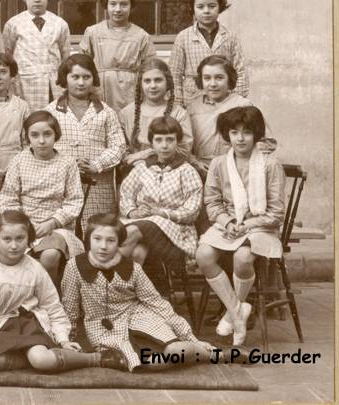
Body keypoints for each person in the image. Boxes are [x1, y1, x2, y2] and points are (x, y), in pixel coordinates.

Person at [0, 211, 125, 372]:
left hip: (27, 324)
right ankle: (30, 360)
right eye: (7, 239)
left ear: (29, 238)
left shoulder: (35, 268)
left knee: (42, 360)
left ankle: (96, 359)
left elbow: (52, 305)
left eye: (20, 238)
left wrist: (63, 339)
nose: (14, 245)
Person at [61, 213, 213, 372]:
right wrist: (65, 340)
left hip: (139, 318)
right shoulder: (75, 267)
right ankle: (203, 355)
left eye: (110, 240)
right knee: (148, 362)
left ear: (119, 243)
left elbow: (157, 303)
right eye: (97, 239)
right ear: (88, 239)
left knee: (175, 350)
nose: (103, 246)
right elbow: (69, 308)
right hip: (105, 329)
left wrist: (191, 338)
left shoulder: (132, 268)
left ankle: (210, 353)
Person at [196, 106, 285, 346]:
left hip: (261, 226)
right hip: (229, 224)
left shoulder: (270, 165)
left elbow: (276, 212)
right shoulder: (218, 164)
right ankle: (238, 312)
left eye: (246, 132)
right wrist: (227, 221)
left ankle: (230, 314)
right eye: (234, 132)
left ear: (256, 134)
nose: (240, 138)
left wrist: (246, 225)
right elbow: (212, 202)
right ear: (227, 135)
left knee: (243, 258)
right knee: (203, 254)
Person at [0, 111, 85, 283]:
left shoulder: (67, 163)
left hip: (57, 227)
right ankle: (21, 297)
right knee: (12, 253)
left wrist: (52, 222)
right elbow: (8, 198)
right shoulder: (19, 161)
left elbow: (74, 200)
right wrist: (24, 224)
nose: (41, 141)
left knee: (50, 256)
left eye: (47, 134)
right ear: (27, 137)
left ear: (56, 135)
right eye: (34, 135)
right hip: (23, 225)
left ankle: (48, 298)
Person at [45, 54, 126, 232]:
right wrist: (64, 164)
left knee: (96, 230)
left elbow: (118, 146)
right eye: (75, 77)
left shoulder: (106, 112)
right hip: (60, 184)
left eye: (86, 77)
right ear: (64, 79)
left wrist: (96, 165)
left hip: (98, 184)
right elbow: (42, 146)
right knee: (63, 231)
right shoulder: (50, 111)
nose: (81, 83)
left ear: (93, 79)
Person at [119, 116, 202, 265]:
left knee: (130, 232)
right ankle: (130, 286)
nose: (164, 146)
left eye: (170, 140)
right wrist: (133, 212)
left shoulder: (187, 171)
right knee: (137, 253)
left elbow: (192, 210)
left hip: (176, 232)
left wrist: (162, 213)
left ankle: (103, 276)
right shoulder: (142, 168)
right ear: (152, 143)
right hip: (141, 223)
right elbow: (126, 194)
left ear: (178, 142)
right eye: (159, 140)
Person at [187, 55, 275, 171]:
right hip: (201, 170)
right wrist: (194, 163)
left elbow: (267, 142)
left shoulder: (243, 105)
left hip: (235, 170)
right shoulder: (193, 107)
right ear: (201, 80)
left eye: (219, 78)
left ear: (229, 79)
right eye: (207, 78)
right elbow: (183, 143)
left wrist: (243, 160)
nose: (213, 84)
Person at [78, 0, 156, 111]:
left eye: (124, 4)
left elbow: (150, 68)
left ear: (132, 6)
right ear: (106, 5)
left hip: (130, 94)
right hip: (99, 90)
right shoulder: (93, 32)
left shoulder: (141, 36)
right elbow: (81, 64)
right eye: (113, 4)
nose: (118, 9)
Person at [170, 0, 249, 106]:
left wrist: (234, 102)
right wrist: (178, 105)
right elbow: (174, 75)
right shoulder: (183, 37)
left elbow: (241, 71)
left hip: (224, 100)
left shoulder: (230, 37)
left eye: (212, 6)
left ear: (219, 8)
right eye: (200, 7)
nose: (206, 11)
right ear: (193, 9)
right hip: (193, 101)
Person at [3, 0, 70, 110]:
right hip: (24, 83)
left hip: (51, 85)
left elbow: (65, 58)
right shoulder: (14, 24)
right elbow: (7, 56)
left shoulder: (59, 24)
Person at [118, 57, 193, 170]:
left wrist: (147, 155)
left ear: (167, 82)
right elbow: (120, 148)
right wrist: (130, 159)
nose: (153, 86)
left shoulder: (179, 113)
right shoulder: (126, 113)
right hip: (134, 171)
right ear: (140, 84)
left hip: (169, 172)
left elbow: (184, 150)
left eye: (158, 80)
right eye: (147, 81)